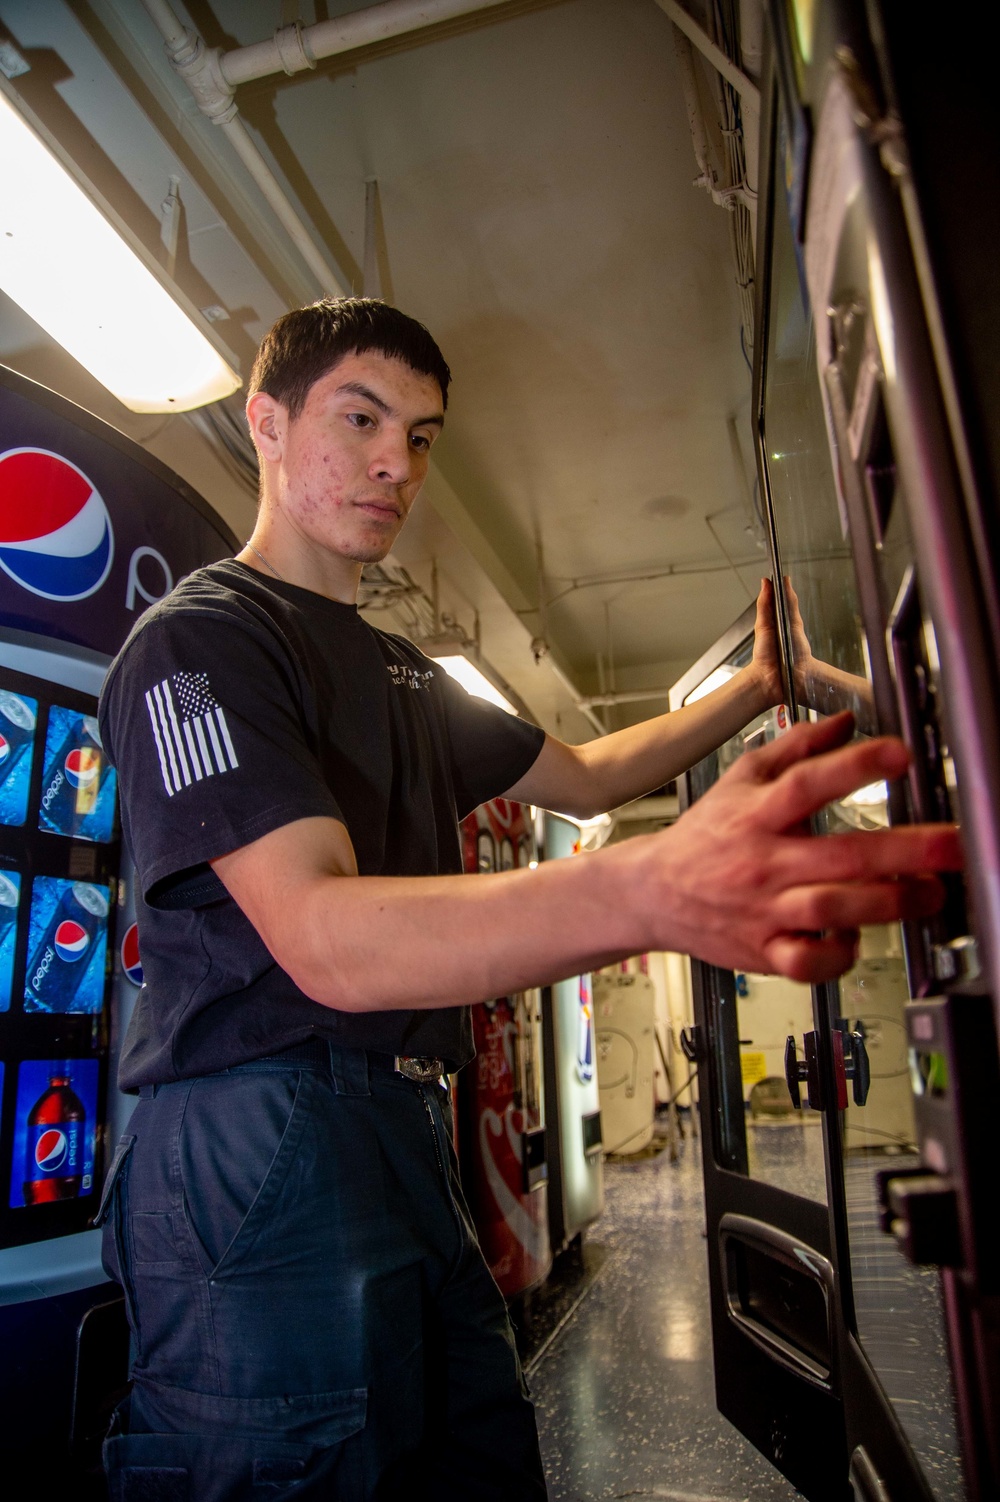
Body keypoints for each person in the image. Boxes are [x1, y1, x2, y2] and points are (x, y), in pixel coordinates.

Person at [97, 298, 960, 1502]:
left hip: (400, 1119)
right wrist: (654, 884)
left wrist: (756, 687)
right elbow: (326, 941)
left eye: (424, 433)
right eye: (361, 417)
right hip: (257, 1132)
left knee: (476, 1459)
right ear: (267, 424)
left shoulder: (396, 666)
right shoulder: (198, 643)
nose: (398, 460)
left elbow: (594, 771)